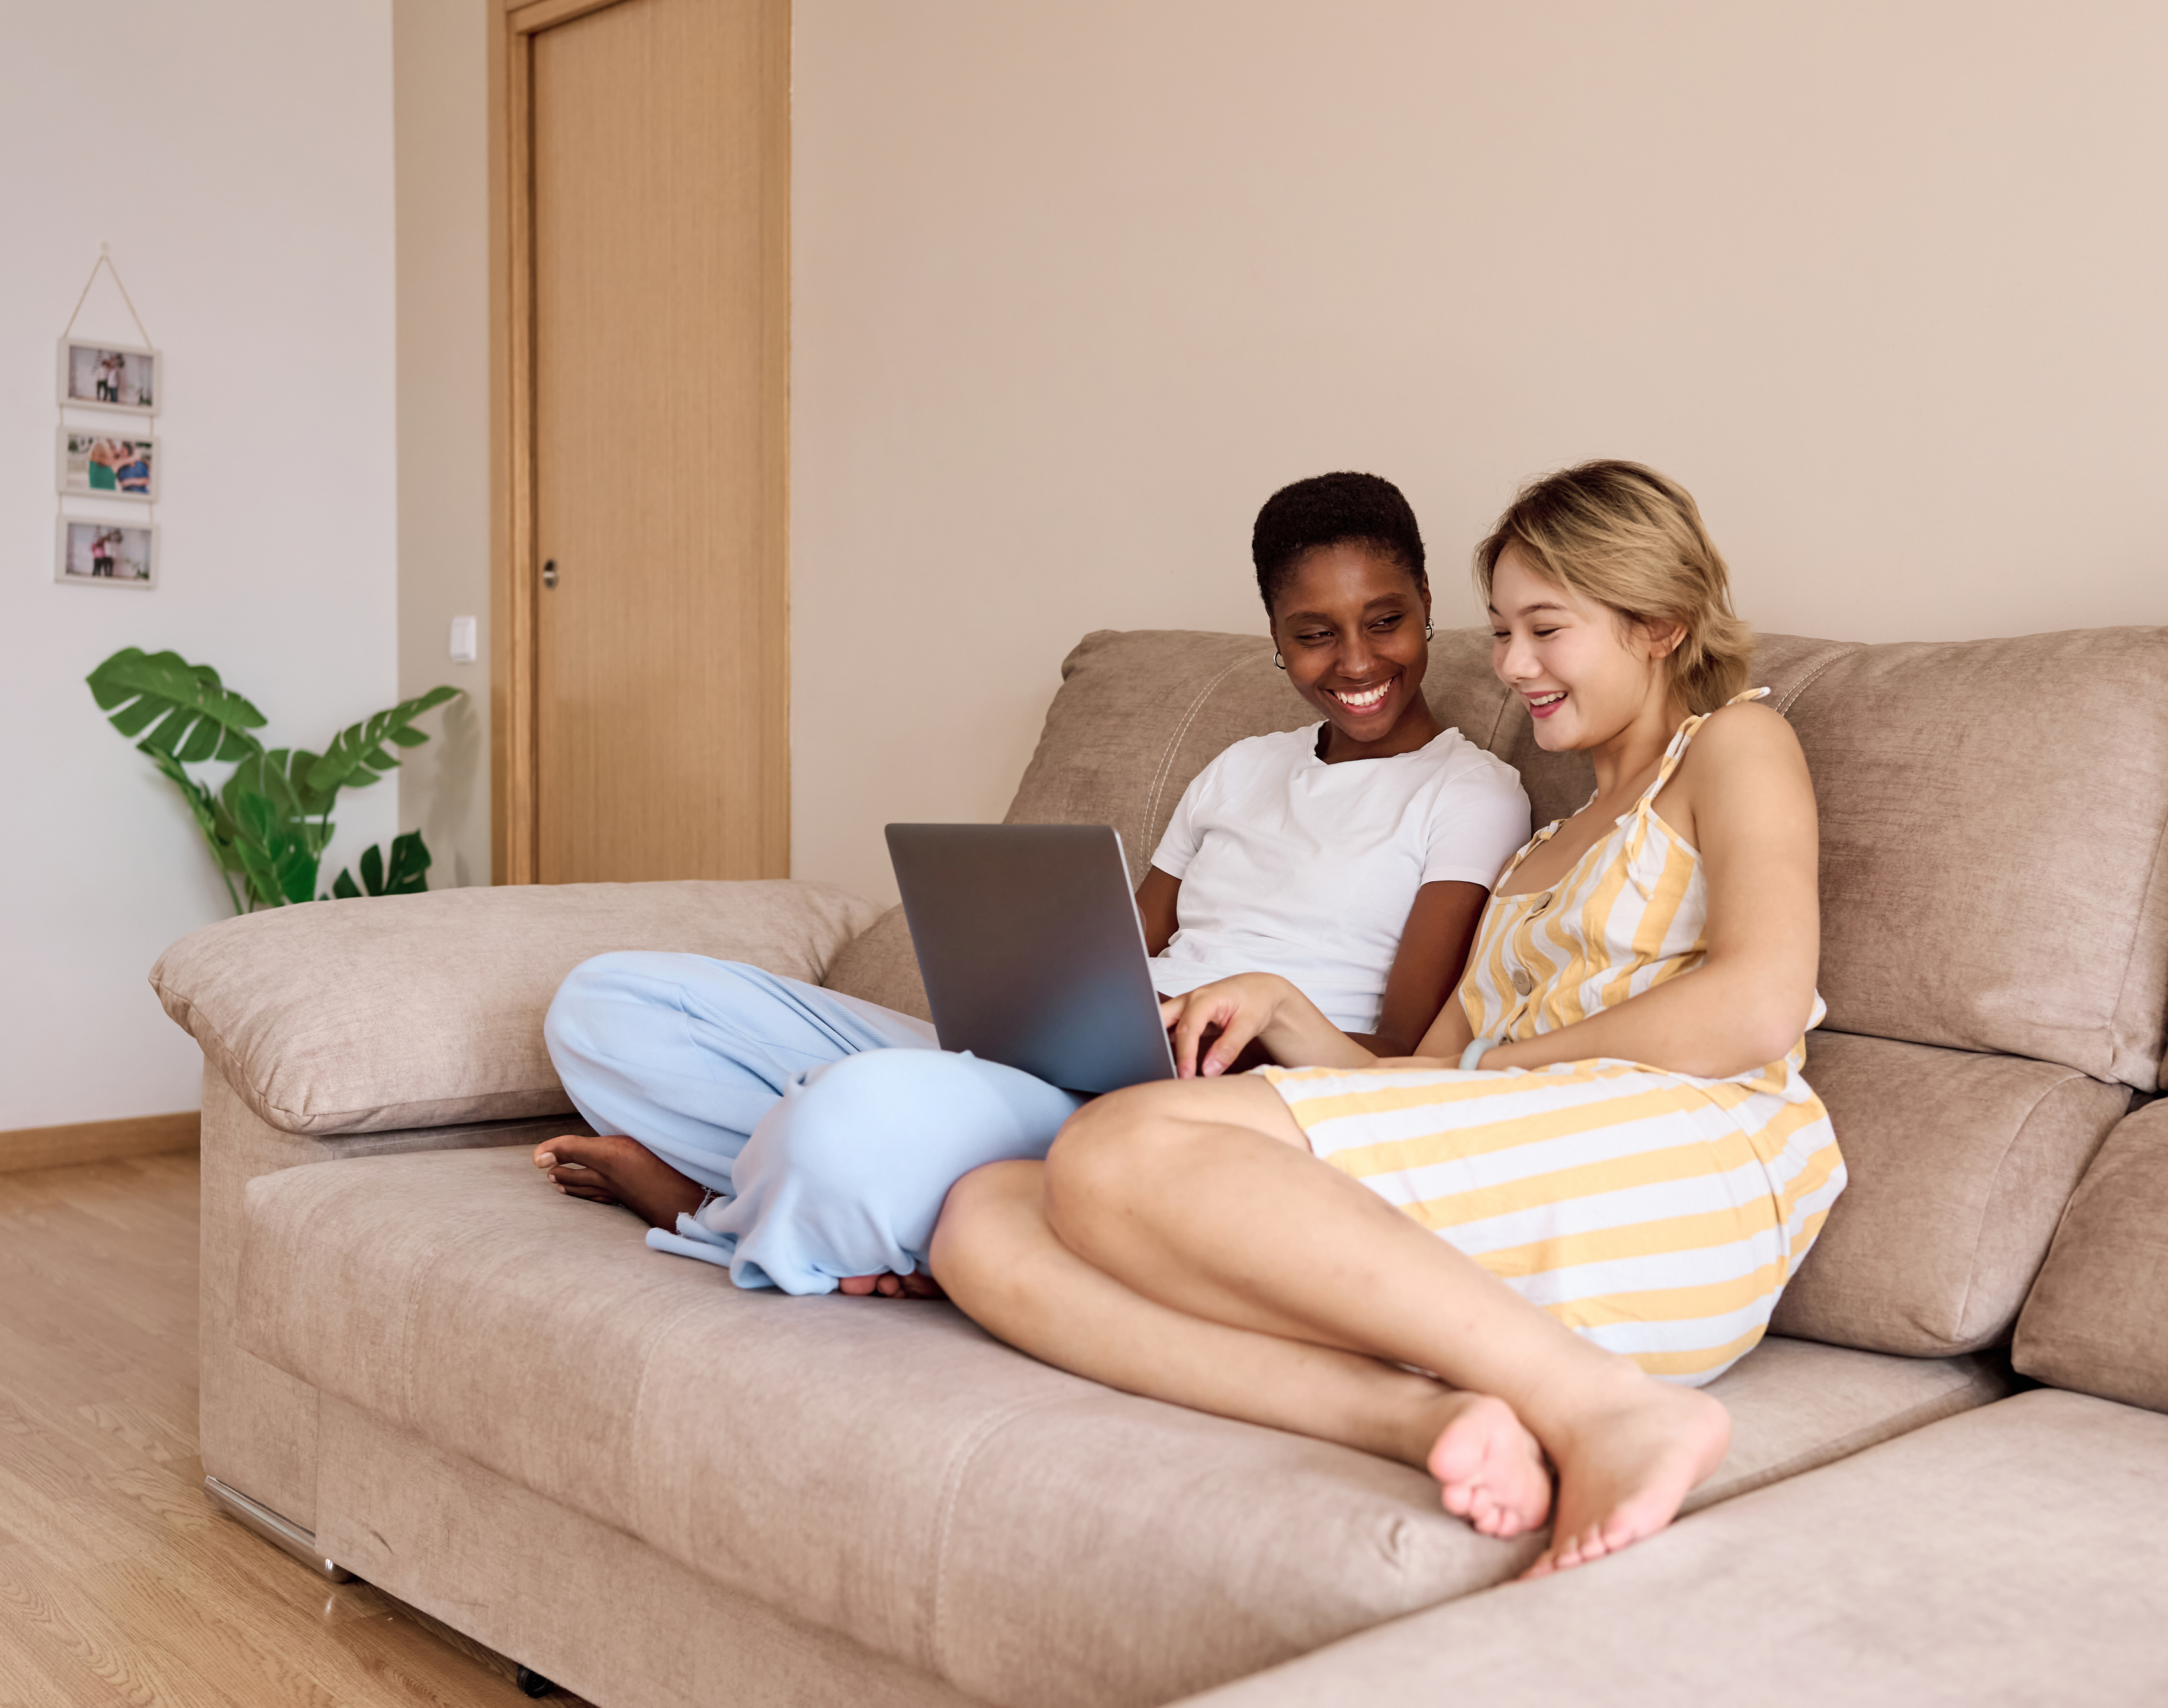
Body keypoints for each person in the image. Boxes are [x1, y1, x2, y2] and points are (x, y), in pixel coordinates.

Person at [927, 460, 1845, 1580]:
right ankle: (1426, 1421)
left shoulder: (1733, 747)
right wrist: (1285, 1010)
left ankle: (1604, 1409)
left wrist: (1511, 1064)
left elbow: (1755, 1004)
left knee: (1118, 1146)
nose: (1510, 667)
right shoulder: (1535, 854)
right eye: (1503, 631)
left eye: (1545, 630)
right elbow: (1422, 1078)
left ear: (1659, 624)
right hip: (1528, 1156)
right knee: (984, 1219)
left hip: (1683, 1170)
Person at [536, 471, 1533, 1301]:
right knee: (608, 1005)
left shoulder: (1471, 793)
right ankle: (880, 1185)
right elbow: (1119, 948)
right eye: (1315, 633)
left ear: (1429, 610)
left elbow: (1399, 1058)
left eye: (1386, 622)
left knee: (849, 1115)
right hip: (1068, 1065)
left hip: (1204, 1108)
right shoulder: (1239, 768)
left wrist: (1252, 1020)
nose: (1357, 662)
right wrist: (1026, 989)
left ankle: (704, 1209)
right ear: (1275, 637)